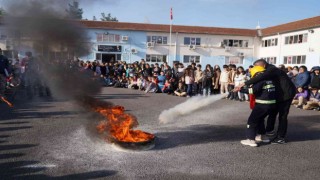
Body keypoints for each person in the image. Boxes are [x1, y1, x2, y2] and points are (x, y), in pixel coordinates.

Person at [235, 59, 296, 144]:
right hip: (277, 95)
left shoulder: (271, 69)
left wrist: (244, 84)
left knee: (282, 116)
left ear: (262, 66)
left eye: (257, 67)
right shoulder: (267, 71)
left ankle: (281, 137)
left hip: (286, 94)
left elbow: (260, 78)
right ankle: (267, 132)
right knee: (272, 113)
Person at [240, 66, 276, 147]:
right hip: (271, 105)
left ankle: (250, 139)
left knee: (252, 121)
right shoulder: (270, 80)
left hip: (262, 105)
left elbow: (252, 90)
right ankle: (262, 136)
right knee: (260, 120)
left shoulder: (260, 80)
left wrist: (241, 89)